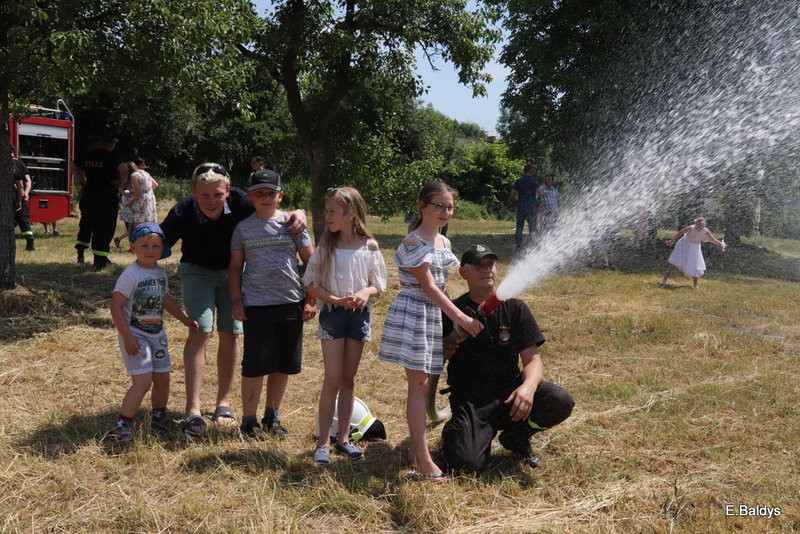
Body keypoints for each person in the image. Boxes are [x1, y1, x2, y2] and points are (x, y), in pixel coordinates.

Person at [159, 163, 308, 437]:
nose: (212, 200)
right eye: (204, 195)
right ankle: (192, 409)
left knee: (231, 333)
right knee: (200, 330)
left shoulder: (243, 201)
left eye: (218, 194)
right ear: (193, 193)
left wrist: (300, 213)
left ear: (228, 191)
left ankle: (223, 404)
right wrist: (142, 258)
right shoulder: (181, 210)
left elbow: (273, 207)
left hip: (233, 276)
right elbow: (158, 240)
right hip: (197, 271)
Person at [378, 182, 483, 482]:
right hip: (414, 313)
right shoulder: (413, 243)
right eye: (439, 206)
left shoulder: (444, 244)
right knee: (419, 385)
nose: (445, 212)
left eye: (449, 207)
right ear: (422, 206)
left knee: (424, 384)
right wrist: (460, 316)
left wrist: (450, 319)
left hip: (433, 315)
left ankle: (416, 450)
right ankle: (423, 460)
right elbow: (428, 287)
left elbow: (443, 289)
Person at [441, 244, 574, 472]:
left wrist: (528, 388)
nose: (487, 269)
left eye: (490, 263)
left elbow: (533, 360)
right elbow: (433, 361)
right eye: (478, 265)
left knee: (560, 400)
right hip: (472, 399)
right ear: (463, 273)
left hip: (510, 394)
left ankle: (516, 436)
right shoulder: (453, 311)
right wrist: (444, 348)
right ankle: (457, 431)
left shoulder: (515, 308)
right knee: (467, 466)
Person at [228, 169, 315, 440]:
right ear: (250, 196)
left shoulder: (294, 225)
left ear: (280, 196)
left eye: (270, 193)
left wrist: (311, 299)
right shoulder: (243, 228)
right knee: (254, 365)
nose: (265, 198)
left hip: (291, 304)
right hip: (256, 306)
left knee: (282, 365)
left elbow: (311, 264)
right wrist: (237, 300)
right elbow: (234, 268)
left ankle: (272, 416)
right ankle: (249, 420)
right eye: (259, 193)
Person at [304, 187, 387, 465]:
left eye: (331, 211)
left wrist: (365, 293)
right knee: (333, 379)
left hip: (359, 317)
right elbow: (311, 283)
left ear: (350, 214)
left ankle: (344, 440)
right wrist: (335, 298)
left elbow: (379, 284)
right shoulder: (327, 247)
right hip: (334, 316)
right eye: (326, 211)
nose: (326, 216)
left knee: (349, 379)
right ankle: (323, 442)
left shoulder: (370, 247)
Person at [107, 223, 199, 443]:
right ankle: (123, 425)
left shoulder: (159, 272)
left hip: (157, 335)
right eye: (144, 245)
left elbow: (165, 300)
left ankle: (159, 415)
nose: (150, 250)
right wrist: (127, 336)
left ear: (163, 248)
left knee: (162, 378)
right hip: (135, 336)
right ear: (133, 248)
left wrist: (184, 319)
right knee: (143, 381)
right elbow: (115, 305)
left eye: (155, 246)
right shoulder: (131, 274)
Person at [72, 134, 128, 269]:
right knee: (105, 226)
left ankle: (81, 253)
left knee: (86, 223)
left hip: (89, 193)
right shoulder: (111, 156)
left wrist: (83, 179)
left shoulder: (87, 154)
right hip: (106, 195)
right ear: (111, 144)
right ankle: (100, 259)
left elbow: (73, 166)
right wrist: (120, 182)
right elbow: (124, 169)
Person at [660, 217, 726, 289]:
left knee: (695, 265)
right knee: (675, 262)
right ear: (696, 224)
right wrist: (672, 241)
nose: (699, 228)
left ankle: (695, 285)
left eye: (701, 226)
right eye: (698, 225)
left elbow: (712, 239)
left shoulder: (706, 231)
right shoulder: (691, 228)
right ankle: (664, 280)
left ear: (704, 225)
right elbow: (680, 232)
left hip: (695, 248)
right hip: (684, 245)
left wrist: (720, 244)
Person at [10, 144, 35, 251]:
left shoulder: (8, 164)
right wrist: (26, 193)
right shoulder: (21, 163)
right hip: (23, 195)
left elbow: (17, 183)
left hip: (14, 195)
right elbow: (28, 181)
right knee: (23, 220)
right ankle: (30, 243)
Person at [510, 164, 540, 252]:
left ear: (524, 171)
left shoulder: (518, 181)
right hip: (531, 207)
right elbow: (539, 193)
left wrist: (515, 202)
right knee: (532, 228)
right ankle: (532, 247)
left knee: (519, 227)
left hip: (521, 206)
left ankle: (519, 247)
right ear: (531, 171)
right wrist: (543, 196)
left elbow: (512, 195)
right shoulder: (534, 181)